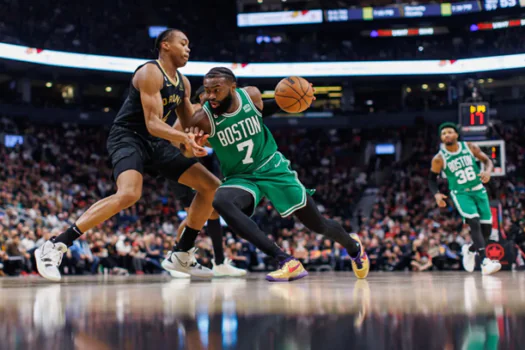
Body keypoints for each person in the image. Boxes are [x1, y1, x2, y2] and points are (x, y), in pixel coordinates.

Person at [35, 29, 219, 281]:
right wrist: (184, 138)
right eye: (183, 43)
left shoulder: (183, 83)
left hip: (156, 142)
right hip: (128, 136)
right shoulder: (149, 72)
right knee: (129, 193)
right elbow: (153, 122)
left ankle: (182, 253)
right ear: (165, 45)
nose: (188, 49)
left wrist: (194, 142)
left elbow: (186, 127)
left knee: (211, 186)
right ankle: (56, 244)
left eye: (189, 45)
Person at [181, 67, 369, 282]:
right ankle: (285, 260)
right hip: (241, 177)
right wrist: (191, 147)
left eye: (217, 90)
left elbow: (265, 109)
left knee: (318, 225)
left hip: (273, 167)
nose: (211, 96)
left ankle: (353, 246)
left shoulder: (251, 95)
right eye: (207, 90)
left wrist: (301, 98)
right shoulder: (202, 119)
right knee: (222, 201)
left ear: (233, 87)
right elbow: (186, 150)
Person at [170, 85, 246, 277]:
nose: (214, 99)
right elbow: (174, 139)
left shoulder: (206, 115)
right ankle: (175, 257)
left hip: (191, 165)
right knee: (193, 216)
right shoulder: (195, 110)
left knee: (212, 213)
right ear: (201, 96)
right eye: (210, 96)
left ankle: (219, 263)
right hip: (177, 165)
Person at [429, 122, 501, 275]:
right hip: (461, 193)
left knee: (486, 231)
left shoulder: (469, 146)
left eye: (449, 132)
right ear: (441, 138)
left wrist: (487, 172)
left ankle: (469, 250)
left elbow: (488, 160)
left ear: (456, 134)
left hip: (479, 190)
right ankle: (484, 262)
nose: (446, 135)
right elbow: (431, 179)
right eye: (443, 133)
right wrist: (436, 194)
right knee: (474, 222)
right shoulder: (439, 158)